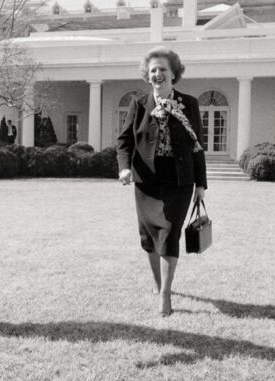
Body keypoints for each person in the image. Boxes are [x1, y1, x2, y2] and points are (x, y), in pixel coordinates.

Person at [116, 46, 207, 317]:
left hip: (179, 180)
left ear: (173, 74)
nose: (157, 74)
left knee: (169, 233)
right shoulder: (139, 104)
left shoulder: (188, 103)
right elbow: (124, 141)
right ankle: (158, 285)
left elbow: (197, 144)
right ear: (148, 74)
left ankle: (166, 294)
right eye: (153, 70)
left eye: (163, 70)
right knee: (149, 236)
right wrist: (124, 168)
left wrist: (201, 184)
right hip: (147, 181)